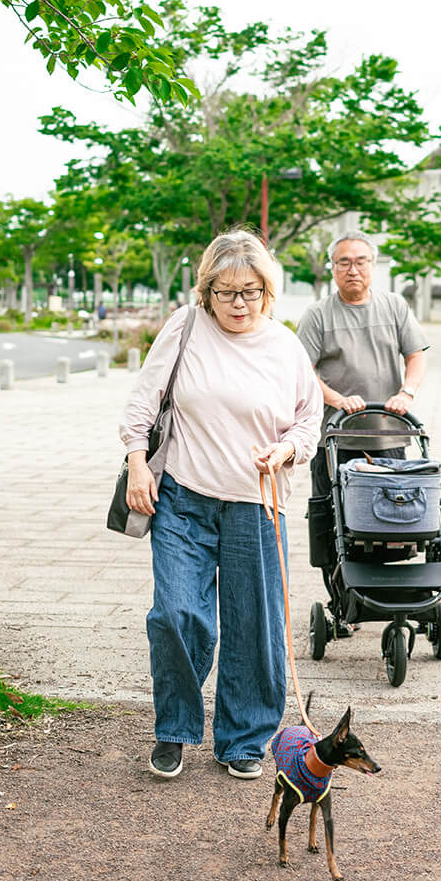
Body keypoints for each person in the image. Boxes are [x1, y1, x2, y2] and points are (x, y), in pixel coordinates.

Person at [119, 230, 321, 782]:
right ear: (206, 290)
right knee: (176, 614)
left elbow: (310, 418)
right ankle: (175, 729)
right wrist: (138, 462)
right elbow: (145, 400)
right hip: (183, 499)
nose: (238, 304)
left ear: (267, 292)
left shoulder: (284, 346)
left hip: (257, 504)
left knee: (254, 624)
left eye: (251, 292)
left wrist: (288, 449)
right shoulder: (185, 328)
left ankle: (244, 738)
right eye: (226, 292)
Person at [295, 231, 429, 614]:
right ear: (333, 268)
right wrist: (337, 399)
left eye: (360, 261)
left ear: (373, 265)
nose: (352, 269)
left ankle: (383, 595)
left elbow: (416, 356)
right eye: (343, 262)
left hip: (387, 436)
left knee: (390, 520)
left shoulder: (394, 307)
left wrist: (407, 393)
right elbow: (301, 371)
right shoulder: (318, 315)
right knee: (332, 523)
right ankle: (343, 603)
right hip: (334, 437)